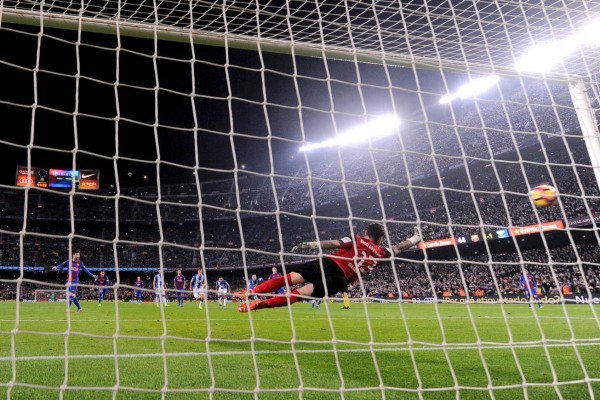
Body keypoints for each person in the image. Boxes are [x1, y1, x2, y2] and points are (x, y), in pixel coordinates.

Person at [236, 224, 433, 312]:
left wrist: (313, 245)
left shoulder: (358, 239)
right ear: (381, 239)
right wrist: (416, 238)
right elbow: (400, 247)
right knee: (298, 294)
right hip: (340, 280)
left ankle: (251, 292)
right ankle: (259, 305)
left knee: (289, 278)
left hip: (328, 263)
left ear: (366, 233)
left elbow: (335, 243)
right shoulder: (382, 254)